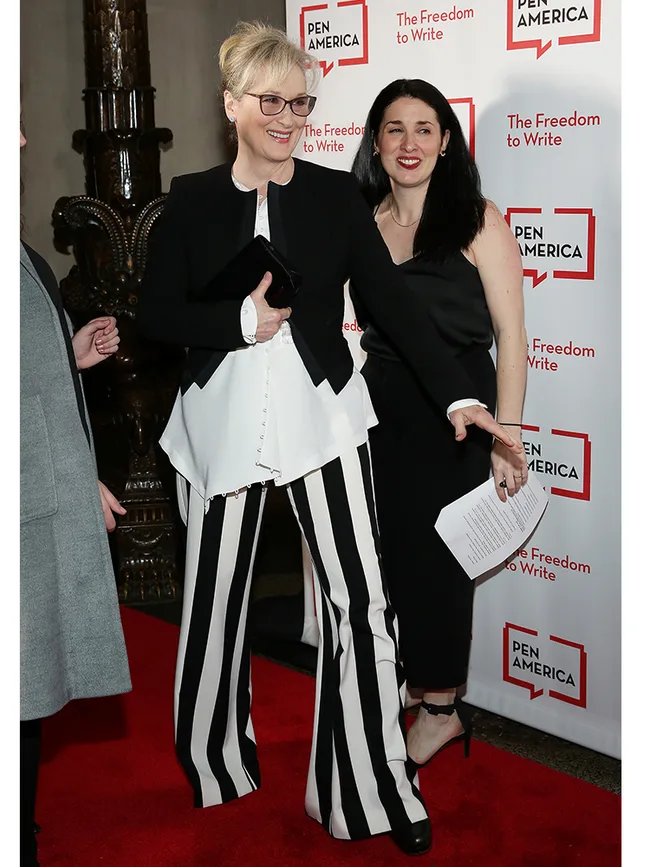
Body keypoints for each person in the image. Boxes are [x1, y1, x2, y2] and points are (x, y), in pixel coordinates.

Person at [138, 22, 522, 856]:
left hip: (325, 422)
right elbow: (156, 314)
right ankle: (215, 760)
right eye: (270, 101)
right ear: (233, 103)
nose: (287, 118)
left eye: (301, 103)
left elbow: (393, 305)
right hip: (218, 423)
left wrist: (460, 393)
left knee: (361, 603)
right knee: (213, 604)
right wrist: (236, 321)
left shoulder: (332, 197)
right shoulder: (192, 196)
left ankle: (370, 786)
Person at [350, 79, 528, 773]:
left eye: (425, 128)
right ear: (376, 142)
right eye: (395, 129)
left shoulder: (477, 220)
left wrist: (505, 436)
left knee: (443, 563)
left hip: (458, 413)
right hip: (381, 409)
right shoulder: (362, 222)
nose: (409, 143)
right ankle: (412, 679)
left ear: (446, 140)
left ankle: (443, 710)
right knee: (390, 556)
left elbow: (511, 337)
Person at [20, 124, 132, 866]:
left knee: (21, 699)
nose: (26, 138)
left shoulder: (23, 256)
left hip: (31, 505)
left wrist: (71, 356)